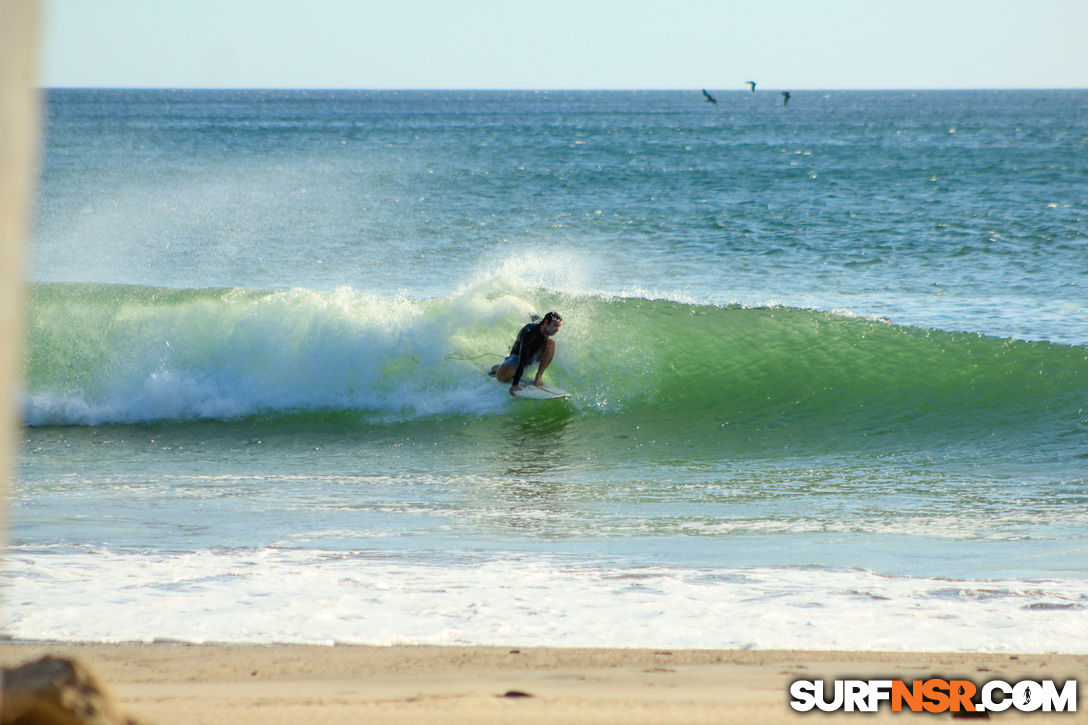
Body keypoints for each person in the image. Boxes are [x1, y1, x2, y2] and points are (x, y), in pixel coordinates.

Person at [489, 312, 563, 396]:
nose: (557, 329)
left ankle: (538, 377)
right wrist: (514, 385)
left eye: (559, 326)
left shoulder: (543, 324)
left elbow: (538, 319)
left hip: (534, 355)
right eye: (555, 326)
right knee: (501, 377)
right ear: (546, 322)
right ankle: (499, 367)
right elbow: (522, 361)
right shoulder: (530, 335)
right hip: (518, 356)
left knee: (551, 343)